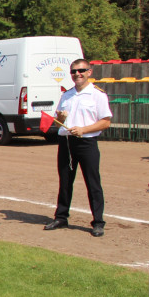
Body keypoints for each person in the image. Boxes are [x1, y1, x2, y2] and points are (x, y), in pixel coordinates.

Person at [44, 59, 113, 237]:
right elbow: (59, 118)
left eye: (81, 70)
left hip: (86, 142)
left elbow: (105, 122)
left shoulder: (97, 95)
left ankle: (98, 222)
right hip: (66, 142)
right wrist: (60, 116)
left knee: (93, 183)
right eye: (74, 71)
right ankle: (61, 217)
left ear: (89, 72)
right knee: (65, 181)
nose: (77, 74)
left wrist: (83, 129)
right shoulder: (67, 95)